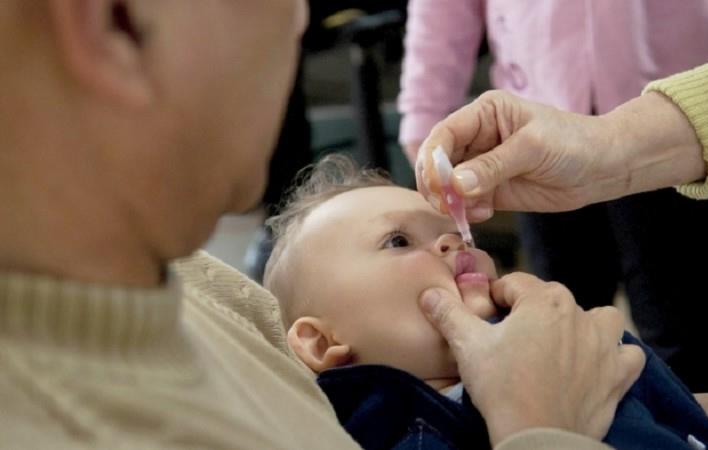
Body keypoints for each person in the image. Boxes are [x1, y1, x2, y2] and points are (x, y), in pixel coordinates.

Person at [0, 1, 642, 449]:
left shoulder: (204, 296)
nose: (302, 16)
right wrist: (543, 427)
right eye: (397, 240)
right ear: (115, 20)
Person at [416, 11, 708, 450]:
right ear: (322, 340)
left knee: (689, 319)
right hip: (539, 132)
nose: (445, 238)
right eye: (397, 241)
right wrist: (424, 109)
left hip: (692, 133)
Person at [262, 154, 708, 450]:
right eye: (398, 240)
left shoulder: (552, 339)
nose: (454, 243)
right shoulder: (412, 435)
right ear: (322, 342)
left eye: (454, 232)